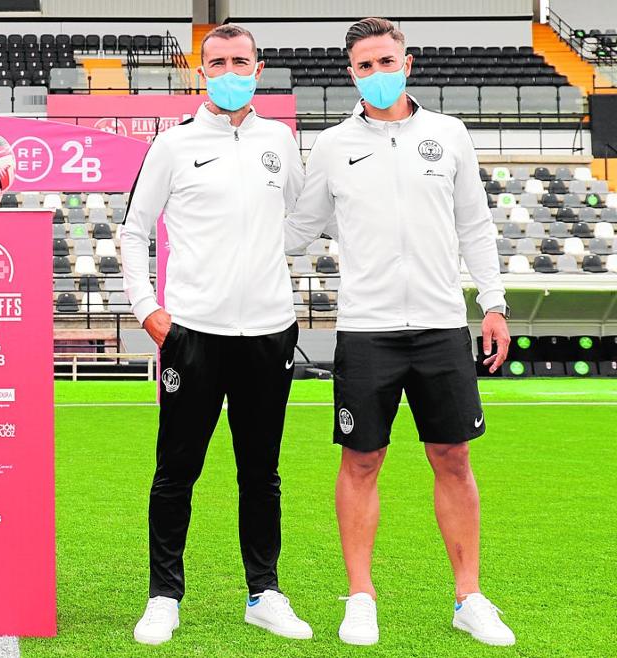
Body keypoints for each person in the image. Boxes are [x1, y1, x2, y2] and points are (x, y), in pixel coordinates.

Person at [284, 17, 515, 648]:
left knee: (454, 457)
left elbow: (476, 227)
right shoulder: (330, 147)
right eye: (364, 65)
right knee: (362, 461)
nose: (377, 73)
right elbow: (295, 231)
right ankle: (361, 597)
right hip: (366, 329)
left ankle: (469, 596)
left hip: (442, 324)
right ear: (350, 73)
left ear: (407, 63)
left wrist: (492, 303)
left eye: (386, 61)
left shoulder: (450, 134)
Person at [122, 23, 313, 647]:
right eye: (217, 62)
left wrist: (259, 267)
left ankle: (264, 592)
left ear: (258, 68)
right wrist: (149, 308)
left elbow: (294, 223)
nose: (230, 71)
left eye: (241, 61)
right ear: (200, 72)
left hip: (268, 332)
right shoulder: (172, 146)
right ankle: (163, 597)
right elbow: (133, 231)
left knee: (261, 473)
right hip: (192, 333)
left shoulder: (280, 141)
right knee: (176, 470)